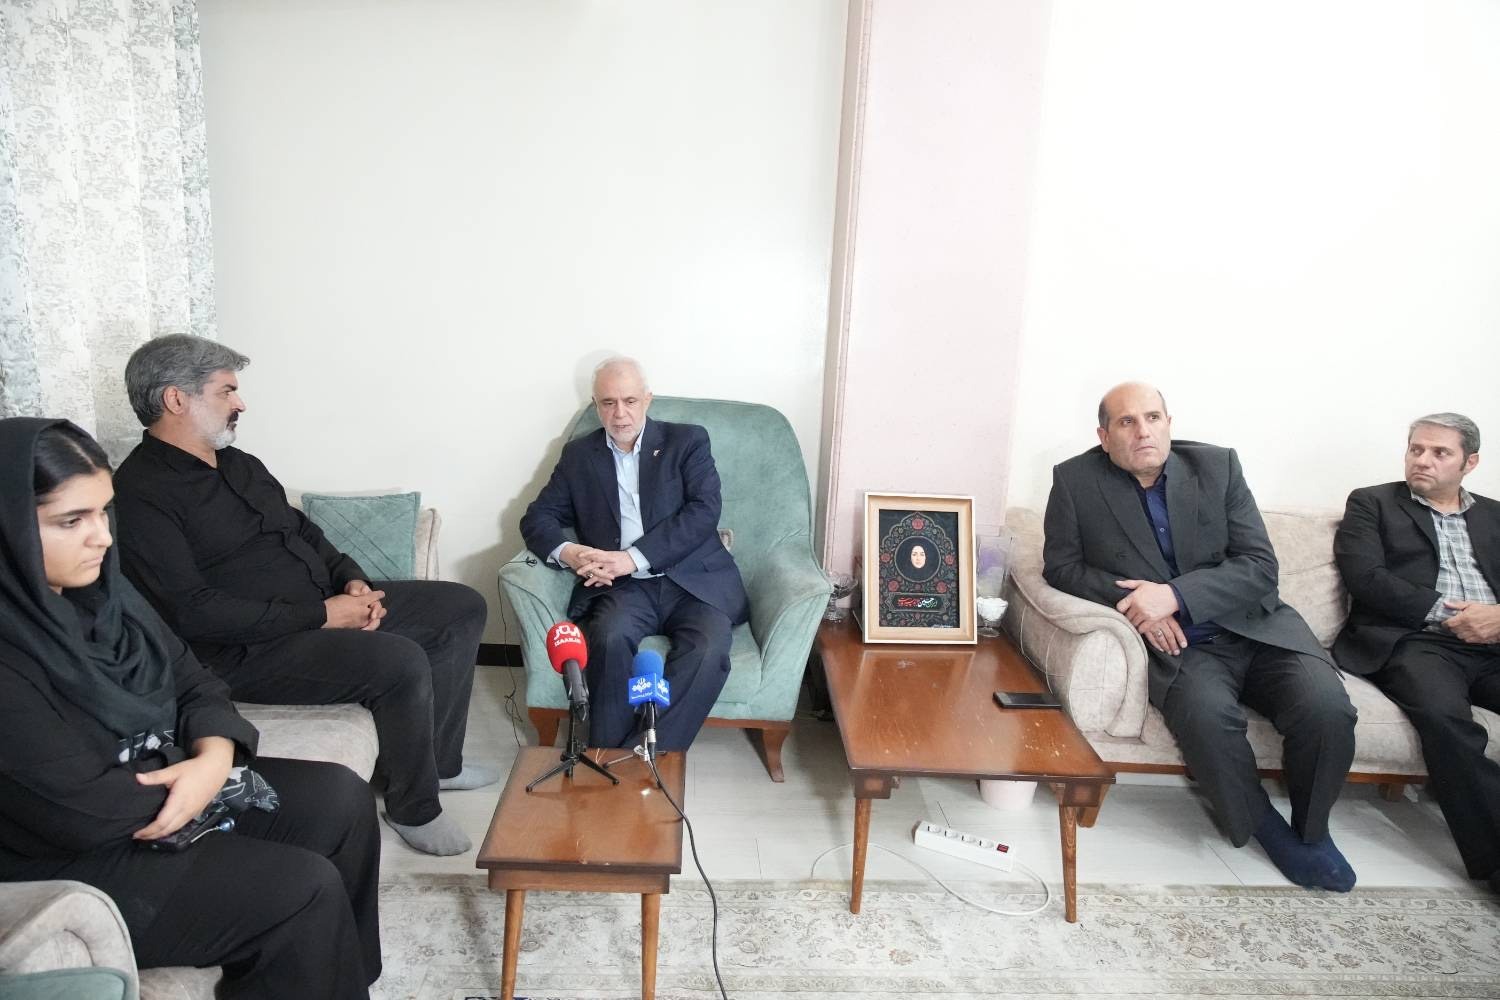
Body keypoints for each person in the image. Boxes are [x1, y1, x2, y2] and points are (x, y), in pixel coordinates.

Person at [0, 418, 381, 998]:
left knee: (341, 799)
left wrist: (214, 755)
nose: (102, 538)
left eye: (104, 513)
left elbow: (195, 680)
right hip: (67, 854)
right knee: (300, 890)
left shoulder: (106, 596)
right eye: (71, 521)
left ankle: (342, 977)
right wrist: (201, 779)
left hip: (164, 780)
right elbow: (78, 809)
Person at [112, 335, 491, 857]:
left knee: (460, 606)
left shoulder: (240, 464)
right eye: (226, 391)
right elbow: (191, 611)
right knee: (398, 660)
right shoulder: (140, 493)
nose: (241, 403)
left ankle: (440, 765)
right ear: (176, 399)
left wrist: (352, 581)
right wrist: (322, 616)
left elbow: (304, 532)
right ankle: (414, 808)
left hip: (317, 608)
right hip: (244, 652)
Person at [1042, 382, 1358, 891]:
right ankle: (1264, 827)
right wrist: (1137, 605)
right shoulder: (1076, 480)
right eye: (1126, 422)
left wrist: (1173, 595)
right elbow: (1061, 568)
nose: (1143, 431)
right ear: (1104, 436)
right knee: (1208, 719)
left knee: (1328, 709)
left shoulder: (1217, 467)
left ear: (1169, 423)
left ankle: (1313, 829)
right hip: (1181, 647)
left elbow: (1259, 566)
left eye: (1153, 417)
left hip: (1257, 628)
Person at [520, 357, 749, 750]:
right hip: (623, 588)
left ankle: (633, 757)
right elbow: (537, 517)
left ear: (647, 399)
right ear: (596, 405)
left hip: (693, 582)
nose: (620, 413)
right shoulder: (579, 456)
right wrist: (572, 553)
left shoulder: (687, 442)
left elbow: (703, 511)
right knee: (608, 638)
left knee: (708, 649)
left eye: (629, 401)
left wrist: (632, 558)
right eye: (608, 402)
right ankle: (606, 751)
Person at [1332, 412, 1500, 892]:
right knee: (1448, 721)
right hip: (1416, 642)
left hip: (1493, 643)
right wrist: (1451, 614)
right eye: (1416, 449)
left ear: (1470, 462)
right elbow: (1366, 578)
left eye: (1440, 452)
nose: (1422, 460)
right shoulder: (1372, 503)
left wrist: (1496, 619)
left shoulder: (1496, 515)